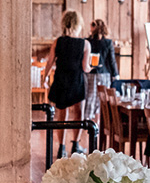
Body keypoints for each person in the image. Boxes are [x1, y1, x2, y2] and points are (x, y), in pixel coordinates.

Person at [44, 10, 92, 158]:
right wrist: (92, 67)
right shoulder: (85, 44)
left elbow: (50, 62)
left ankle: (61, 147)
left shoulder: (58, 41)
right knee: (79, 114)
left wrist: (45, 78)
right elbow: (85, 68)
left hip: (61, 80)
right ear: (79, 24)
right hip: (77, 81)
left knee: (61, 115)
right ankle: (76, 145)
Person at [85, 18, 120, 134]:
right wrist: (116, 75)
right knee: (102, 101)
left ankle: (88, 124)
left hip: (90, 73)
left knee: (89, 99)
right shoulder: (108, 42)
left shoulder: (87, 41)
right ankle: (98, 125)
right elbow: (112, 61)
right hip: (104, 74)